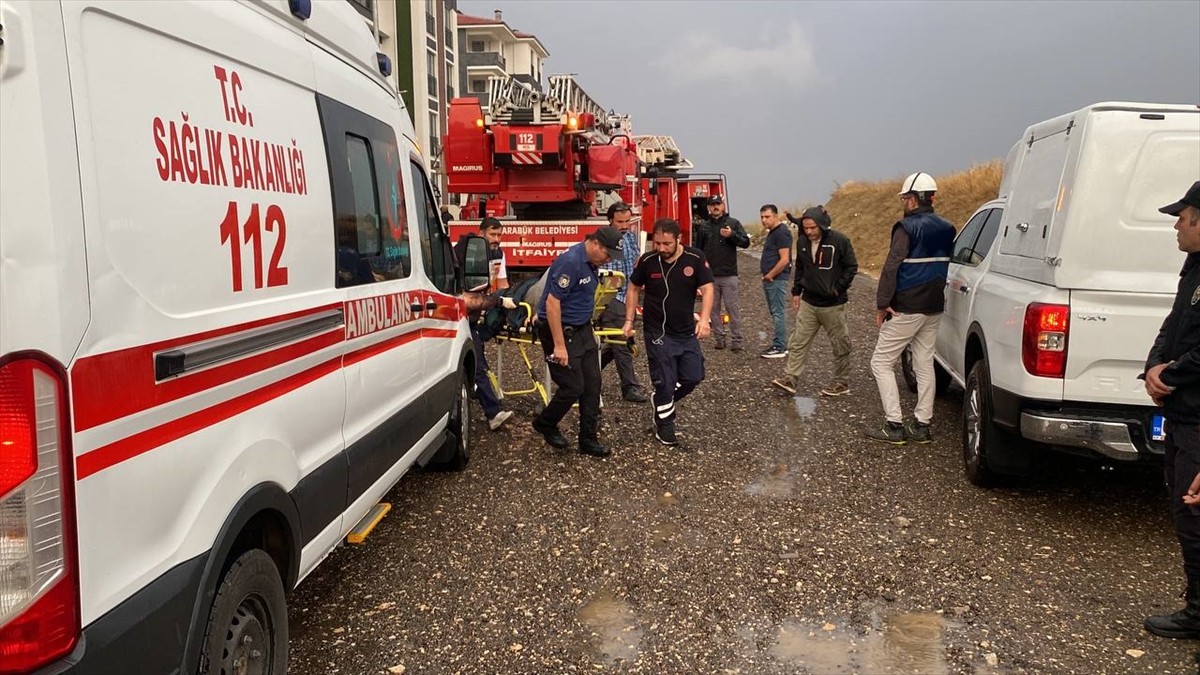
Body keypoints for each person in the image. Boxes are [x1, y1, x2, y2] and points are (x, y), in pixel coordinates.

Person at [1142, 180, 1200, 640]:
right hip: (1181, 411)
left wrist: (1173, 374)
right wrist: (1153, 369)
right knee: (1183, 508)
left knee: (1194, 509)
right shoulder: (1193, 266)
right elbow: (1174, 321)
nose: (1176, 226)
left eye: (1182, 217)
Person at [866, 172, 955, 444]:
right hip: (934, 305)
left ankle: (894, 425)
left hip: (908, 305)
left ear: (914, 200)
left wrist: (883, 304)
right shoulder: (948, 228)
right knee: (924, 362)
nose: (903, 202)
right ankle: (922, 425)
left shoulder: (906, 228)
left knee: (880, 363)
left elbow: (892, 266)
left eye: (905, 198)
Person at [531, 227, 625, 457]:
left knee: (593, 385)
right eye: (608, 254)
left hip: (582, 329)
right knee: (573, 386)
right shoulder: (570, 263)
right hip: (560, 331)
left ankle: (588, 439)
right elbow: (553, 304)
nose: (609, 260)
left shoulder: (592, 263)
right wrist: (559, 345)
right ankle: (546, 422)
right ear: (595, 245)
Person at [623, 219, 714, 446]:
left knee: (694, 377)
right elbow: (633, 287)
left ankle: (662, 400)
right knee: (665, 381)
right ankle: (665, 423)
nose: (661, 248)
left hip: (685, 331)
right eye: (657, 243)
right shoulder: (647, 261)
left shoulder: (695, 258)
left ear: (678, 239)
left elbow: (708, 288)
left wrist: (704, 319)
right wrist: (629, 319)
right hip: (657, 331)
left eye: (667, 243)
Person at [772, 205, 858, 396]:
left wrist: (837, 289)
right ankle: (790, 379)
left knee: (840, 344)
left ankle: (841, 383)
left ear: (822, 225)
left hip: (833, 305)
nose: (809, 231)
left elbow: (851, 267)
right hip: (809, 303)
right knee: (798, 342)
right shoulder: (802, 241)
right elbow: (801, 268)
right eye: (806, 227)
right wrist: (796, 292)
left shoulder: (840, 241)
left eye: (813, 227)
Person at [464, 217, 515, 431]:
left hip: (478, 312)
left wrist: (506, 303)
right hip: (463, 313)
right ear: (481, 232)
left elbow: (501, 283)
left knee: (478, 359)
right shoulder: (468, 253)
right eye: (493, 235)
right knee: (476, 365)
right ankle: (493, 413)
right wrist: (498, 301)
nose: (497, 239)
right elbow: (465, 293)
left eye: (500, 235)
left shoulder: (498, 254)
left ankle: (480, 396)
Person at [598, 203, 649, 402]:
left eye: (628, 221)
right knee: (621, 340)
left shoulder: (630, 238)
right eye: (620, 222)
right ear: (610, 220)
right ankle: (630, 387)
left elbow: (634, 265)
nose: (625, 225)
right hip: (610, 296)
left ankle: (586, 374)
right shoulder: (601, 240)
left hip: (628, 296)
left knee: (618, 343)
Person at [693, 194, 749, 351]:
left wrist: (732, 235)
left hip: (729, 274)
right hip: (709, 276)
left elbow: (745, 242)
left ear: (723, 206)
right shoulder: (704, 226)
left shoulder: (733, 223)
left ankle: (737, 340)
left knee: (733, 308)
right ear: (709, 208)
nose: (715, 207)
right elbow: (698, 251)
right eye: (712, 204)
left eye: (718, 204)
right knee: (713, 309)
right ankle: (719, 338)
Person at [758, 204, 793, 358]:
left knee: (778, 312)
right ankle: (780, 344)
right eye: (762, 217)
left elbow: (784, 259)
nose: (764, 220)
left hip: (777, 279)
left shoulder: (781, 233)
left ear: (776, 216)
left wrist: (770, 275)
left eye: (767, 217)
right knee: (775, 312)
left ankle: (780, 346)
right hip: (771, 279)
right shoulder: (773, 233)